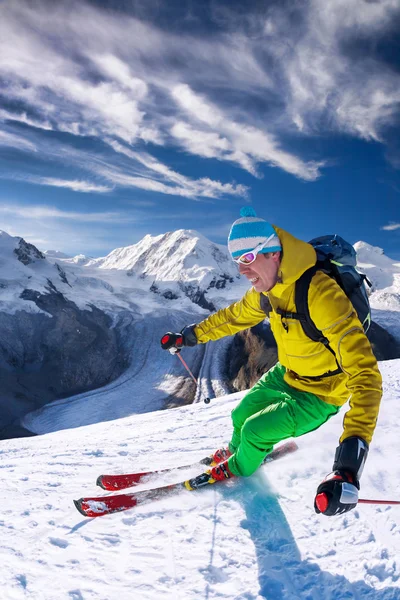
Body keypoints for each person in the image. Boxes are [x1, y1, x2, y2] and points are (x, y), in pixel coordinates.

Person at [160, 207, 382, 516]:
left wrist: (347, 465)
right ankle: (240, 453)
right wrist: (189, 336)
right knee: (240, 416)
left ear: (273, 253)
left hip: (321, 392)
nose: (242, 270)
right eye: (238, 262)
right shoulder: (267, 289)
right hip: (287, 374)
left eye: (248, 259)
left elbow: (366, 376)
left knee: (254, 430)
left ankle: (238, 467)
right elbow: (233, 317)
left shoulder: (320, 293)